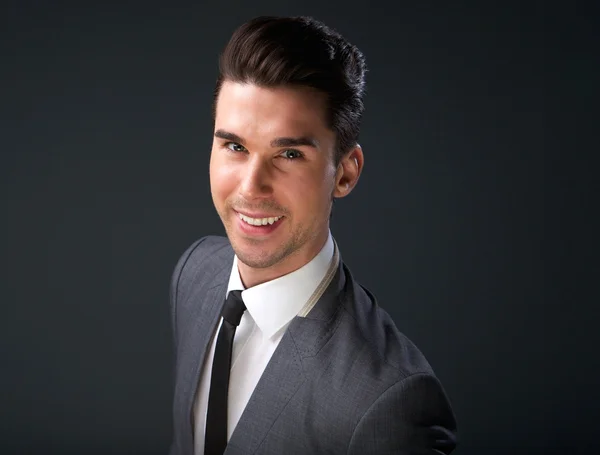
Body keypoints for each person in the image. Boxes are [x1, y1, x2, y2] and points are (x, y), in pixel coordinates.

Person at [168, 16, 458, 455]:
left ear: (345, 173)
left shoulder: (390, 402)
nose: (250, 187)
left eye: (288, 154)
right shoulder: (194, 274)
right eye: (235, 146)